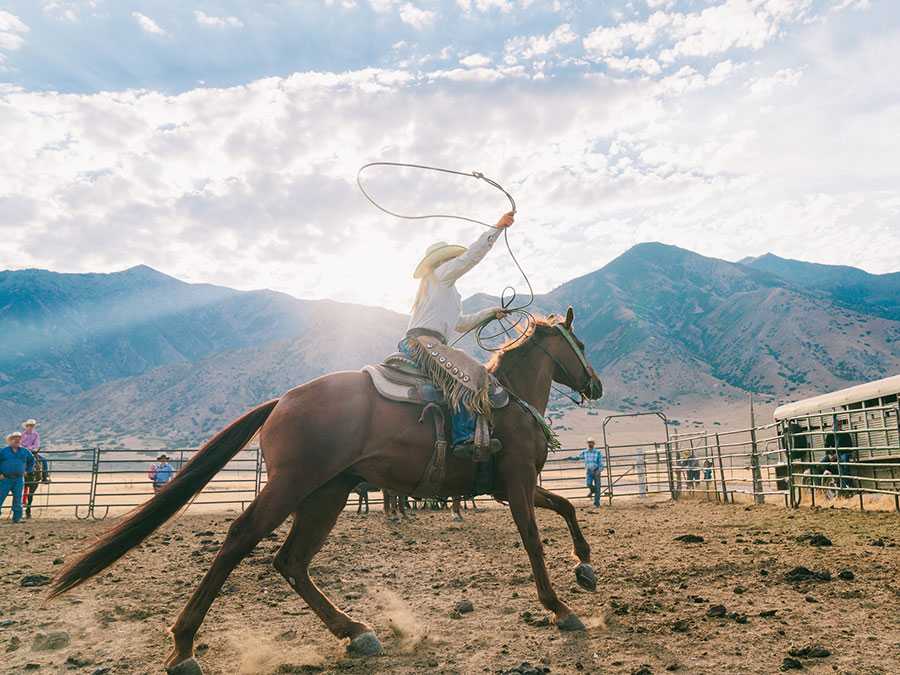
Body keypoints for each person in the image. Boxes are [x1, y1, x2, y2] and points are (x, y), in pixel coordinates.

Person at [398, 212, 514, 460]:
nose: (454, 262)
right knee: (469, 373)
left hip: (425, 342)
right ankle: (464, 437)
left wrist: (491, 313)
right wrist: (497, 228)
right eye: (451, 259)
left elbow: (460, 324)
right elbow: (471, 258)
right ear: (443, 262)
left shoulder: (443, 290)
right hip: (424, 343)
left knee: (464, 370)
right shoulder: (441, 277)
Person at [0, 431, 35, 523]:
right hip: (5, 479)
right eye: (14, 438)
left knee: (18, 499)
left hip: (19, 479)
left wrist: (28, 470)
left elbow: (31, 461)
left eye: (19, 438)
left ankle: (17, 518)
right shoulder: (3, 451)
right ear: (10, 440)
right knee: (0, 497)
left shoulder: (25, 451)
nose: (17, 440)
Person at [569, 437, 604, 507]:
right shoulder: (585, 452)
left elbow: (601, 463)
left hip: (596, 470)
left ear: (594, 444)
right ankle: (592, 490)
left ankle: (596, 503)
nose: (590, 444)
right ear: (587, 443)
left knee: (598, 486)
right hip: (589, 471)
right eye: (589, 442)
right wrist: (572, 458)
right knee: (588, 484)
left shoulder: (598, 452)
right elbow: (578, 457)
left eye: (591, 442)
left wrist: (599, 470)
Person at [825, 420, 855, 492]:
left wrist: (837, 454)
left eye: (838, 425)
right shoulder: (830, 435)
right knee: (823, 462)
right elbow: (826, 446)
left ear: (840, 426)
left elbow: (849, 447)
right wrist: (829, 455)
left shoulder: (845, 434)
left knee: (844, 460)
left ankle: (847, 483)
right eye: (834, 426)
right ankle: (834, 476)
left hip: (843, 453)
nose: (835, 427)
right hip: (834, 455)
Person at [23, 446, 49, 519]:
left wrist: (33, 449)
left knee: (43, 460)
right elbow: (22, 443)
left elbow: (37, 444)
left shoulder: (35, 434)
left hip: (34, 451)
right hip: (25, 451)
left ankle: (44, 476)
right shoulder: (24, 435)